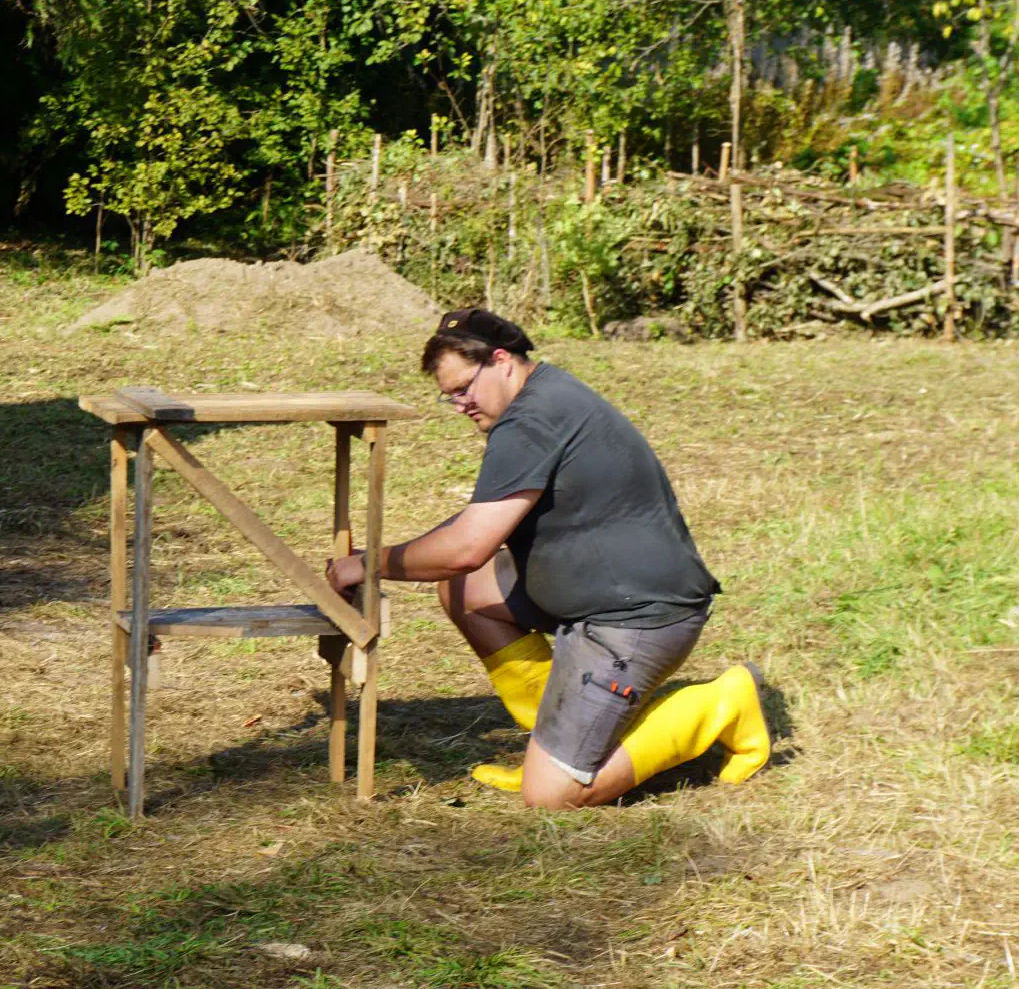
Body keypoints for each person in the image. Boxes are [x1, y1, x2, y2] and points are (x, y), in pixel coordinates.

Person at [324, 308, 769, 809]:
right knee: (463, 590)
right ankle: (556, 739)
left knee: (553, 795)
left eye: (464, 388)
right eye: (448, 395)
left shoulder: (532, 421)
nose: (459, 404)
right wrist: (381, 557)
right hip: (600, 591)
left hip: (637, 618)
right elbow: (478, 526)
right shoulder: (543, 396)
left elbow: (468, 549)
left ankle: (722, 704)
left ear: (502, 361)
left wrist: (368, 564)